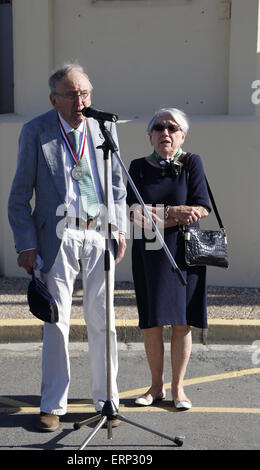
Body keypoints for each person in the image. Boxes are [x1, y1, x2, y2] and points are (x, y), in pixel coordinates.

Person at [8, 63, 127, 431]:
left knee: (103, 320)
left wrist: (119, 228)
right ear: (54, 99)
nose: (81, 101)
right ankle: (52, 406)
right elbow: (18, 198)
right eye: (72, 94)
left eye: (86, 93)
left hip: (97, 233)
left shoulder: (102, 128)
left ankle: (106, 400)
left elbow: (118, 186)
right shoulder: (36, 131)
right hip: (56, 235)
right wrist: (26, 244)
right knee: (56, 323)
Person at [126, 108, 211, 410]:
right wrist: (175, 212)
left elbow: (201, 207)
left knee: (181, 322)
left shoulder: (191, 163)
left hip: (185, 251)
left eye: (173, 128)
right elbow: (133, 213)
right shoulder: (137, 167)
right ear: (149, 135)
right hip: (149, 252)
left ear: (182, 135)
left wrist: (159, 215)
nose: (166, 133)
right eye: (159, 128)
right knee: (151, 323)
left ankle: (179, 389)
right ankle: (154, 387)